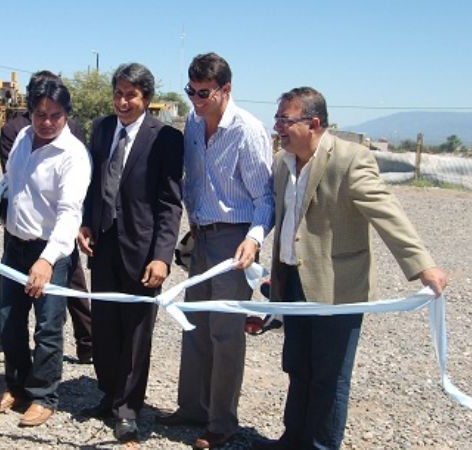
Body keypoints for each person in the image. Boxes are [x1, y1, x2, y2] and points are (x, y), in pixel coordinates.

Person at [254, 87, 447, 450]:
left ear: (312, 123)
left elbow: (386, 212)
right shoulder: (283, 162)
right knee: (298, 367)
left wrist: (423, 265)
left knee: (330, 376)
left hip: (336, 287)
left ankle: (321, 445)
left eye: (284, 119)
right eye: (277, 118)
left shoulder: (349, 159)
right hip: (291, 282)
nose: (277, 126)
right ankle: (292, 439)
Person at [157, 52, 274, 450]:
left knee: (225, 333)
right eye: (191, 91)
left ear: (226, 89)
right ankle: (192, 407)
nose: (195, 99)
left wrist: (254, 239)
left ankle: (222, 423)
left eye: (204, 92)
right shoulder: (192, 122)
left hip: (234, 239)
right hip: (202, 235)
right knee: (195, 325)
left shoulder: (248, 131)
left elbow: (265, 199)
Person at [77, 63, 183, 442]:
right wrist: (86, 223)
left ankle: (128, 408)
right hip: (103, 245)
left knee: (137, 333)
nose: (122, 101)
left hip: (142, 251)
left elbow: (170, 203)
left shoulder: (166, 138)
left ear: (147, 99)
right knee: (104, 326)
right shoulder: (103, 129)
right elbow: (94, 184)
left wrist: (162, 256)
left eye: (131, 95)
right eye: (118, 94)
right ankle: (109, 395)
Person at [0, 77, 91, 427]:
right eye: (39, 114)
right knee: (9, 319)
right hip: (15, 247)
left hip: (51, 254)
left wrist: (47, 260)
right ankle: (17, 386)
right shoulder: (23, 140)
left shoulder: (72, 155)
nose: (46, 122)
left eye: (55, 115)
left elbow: (69, 214)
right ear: (29, 112)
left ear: (66, 115)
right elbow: (10, 183)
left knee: (47, 326)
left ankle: (44, 395)